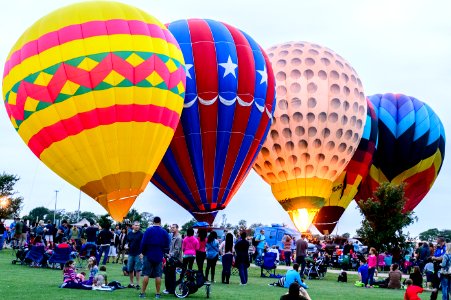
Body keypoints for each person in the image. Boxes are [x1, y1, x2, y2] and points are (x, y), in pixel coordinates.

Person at [139, 216, 170, 299]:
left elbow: (143, 242)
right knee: (158, 275)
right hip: (159, 255)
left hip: (148, 254)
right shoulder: (164, 232)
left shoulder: (148, 230)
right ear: (160, 222)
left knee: (146, 274)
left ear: (153, 222)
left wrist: (143, 252)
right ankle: (157, 293)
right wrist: (164, 252)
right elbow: (167, 244)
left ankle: (142, 293)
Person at [163, 223, 182, 295]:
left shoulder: (178, 238)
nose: (172, 228)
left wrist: (170, 256)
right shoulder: (172, 236)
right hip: (171, 258)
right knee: (168, 273)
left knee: (170, 274)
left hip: (174, 259)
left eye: (173, 227)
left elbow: (177, 250)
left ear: (177, 228)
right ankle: (169, 289)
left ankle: (170, 289)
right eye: (171, 227)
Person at [127, 221, 143, 289]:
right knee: (130, 269)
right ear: (132, 226)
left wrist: (142, 253)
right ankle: (131, 283)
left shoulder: (141, 234)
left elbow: (143, 244)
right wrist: (126, 245)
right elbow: (127, 242)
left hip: (138, 254)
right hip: (130, 253)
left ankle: (137, 284)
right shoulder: (129, 233)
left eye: (138, 225)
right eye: (136, 225)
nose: (137, 226)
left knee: (138, 269)